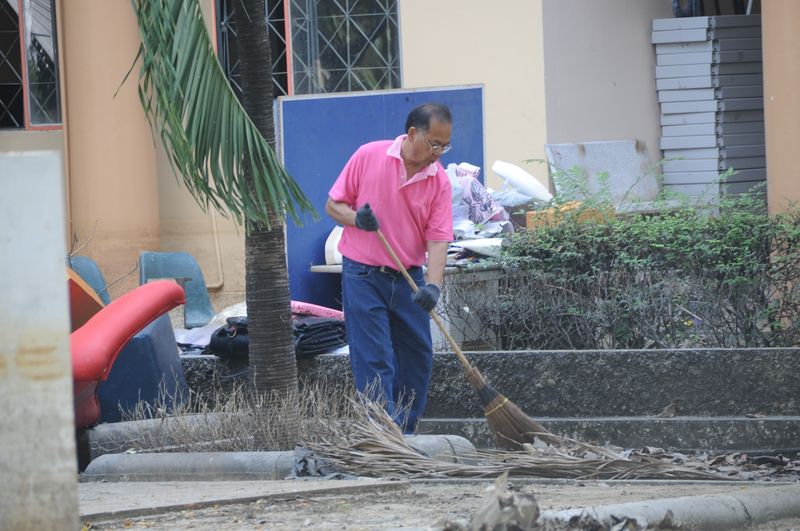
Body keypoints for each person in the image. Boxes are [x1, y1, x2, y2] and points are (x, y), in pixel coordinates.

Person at [325, 103, 454, 434]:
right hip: (363, 274)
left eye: (444, 146)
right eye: (434, 144)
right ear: (412, 134)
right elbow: (333, 205)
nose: (438, 153)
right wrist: (357, 219)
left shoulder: (439, 181)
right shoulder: (369, 155)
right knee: (375, 358)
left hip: (409, 278)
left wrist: (433, 286)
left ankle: (405, 434)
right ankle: (383, 434)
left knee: (418, 357)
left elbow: (438, 239)